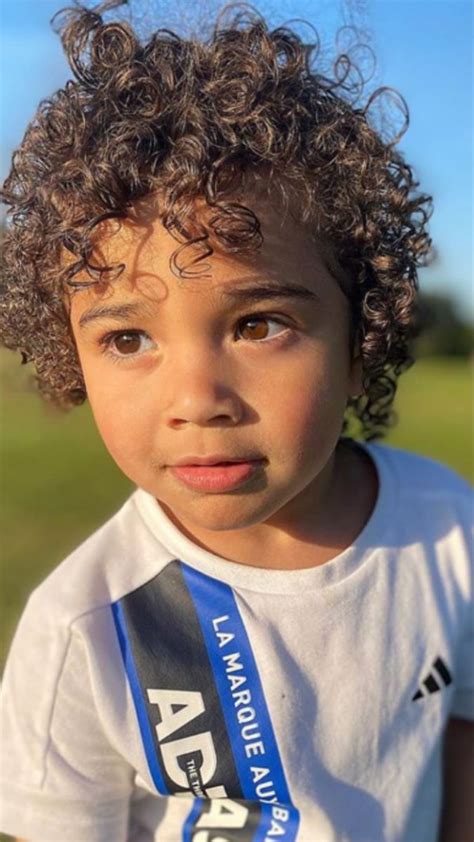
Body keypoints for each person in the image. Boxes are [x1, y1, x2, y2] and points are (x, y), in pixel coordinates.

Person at [0, 0, 472, 840]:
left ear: (361, 337)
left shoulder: (447, 528)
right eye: (128, 337)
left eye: (259, 325)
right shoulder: (84, 628)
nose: (196, 400)